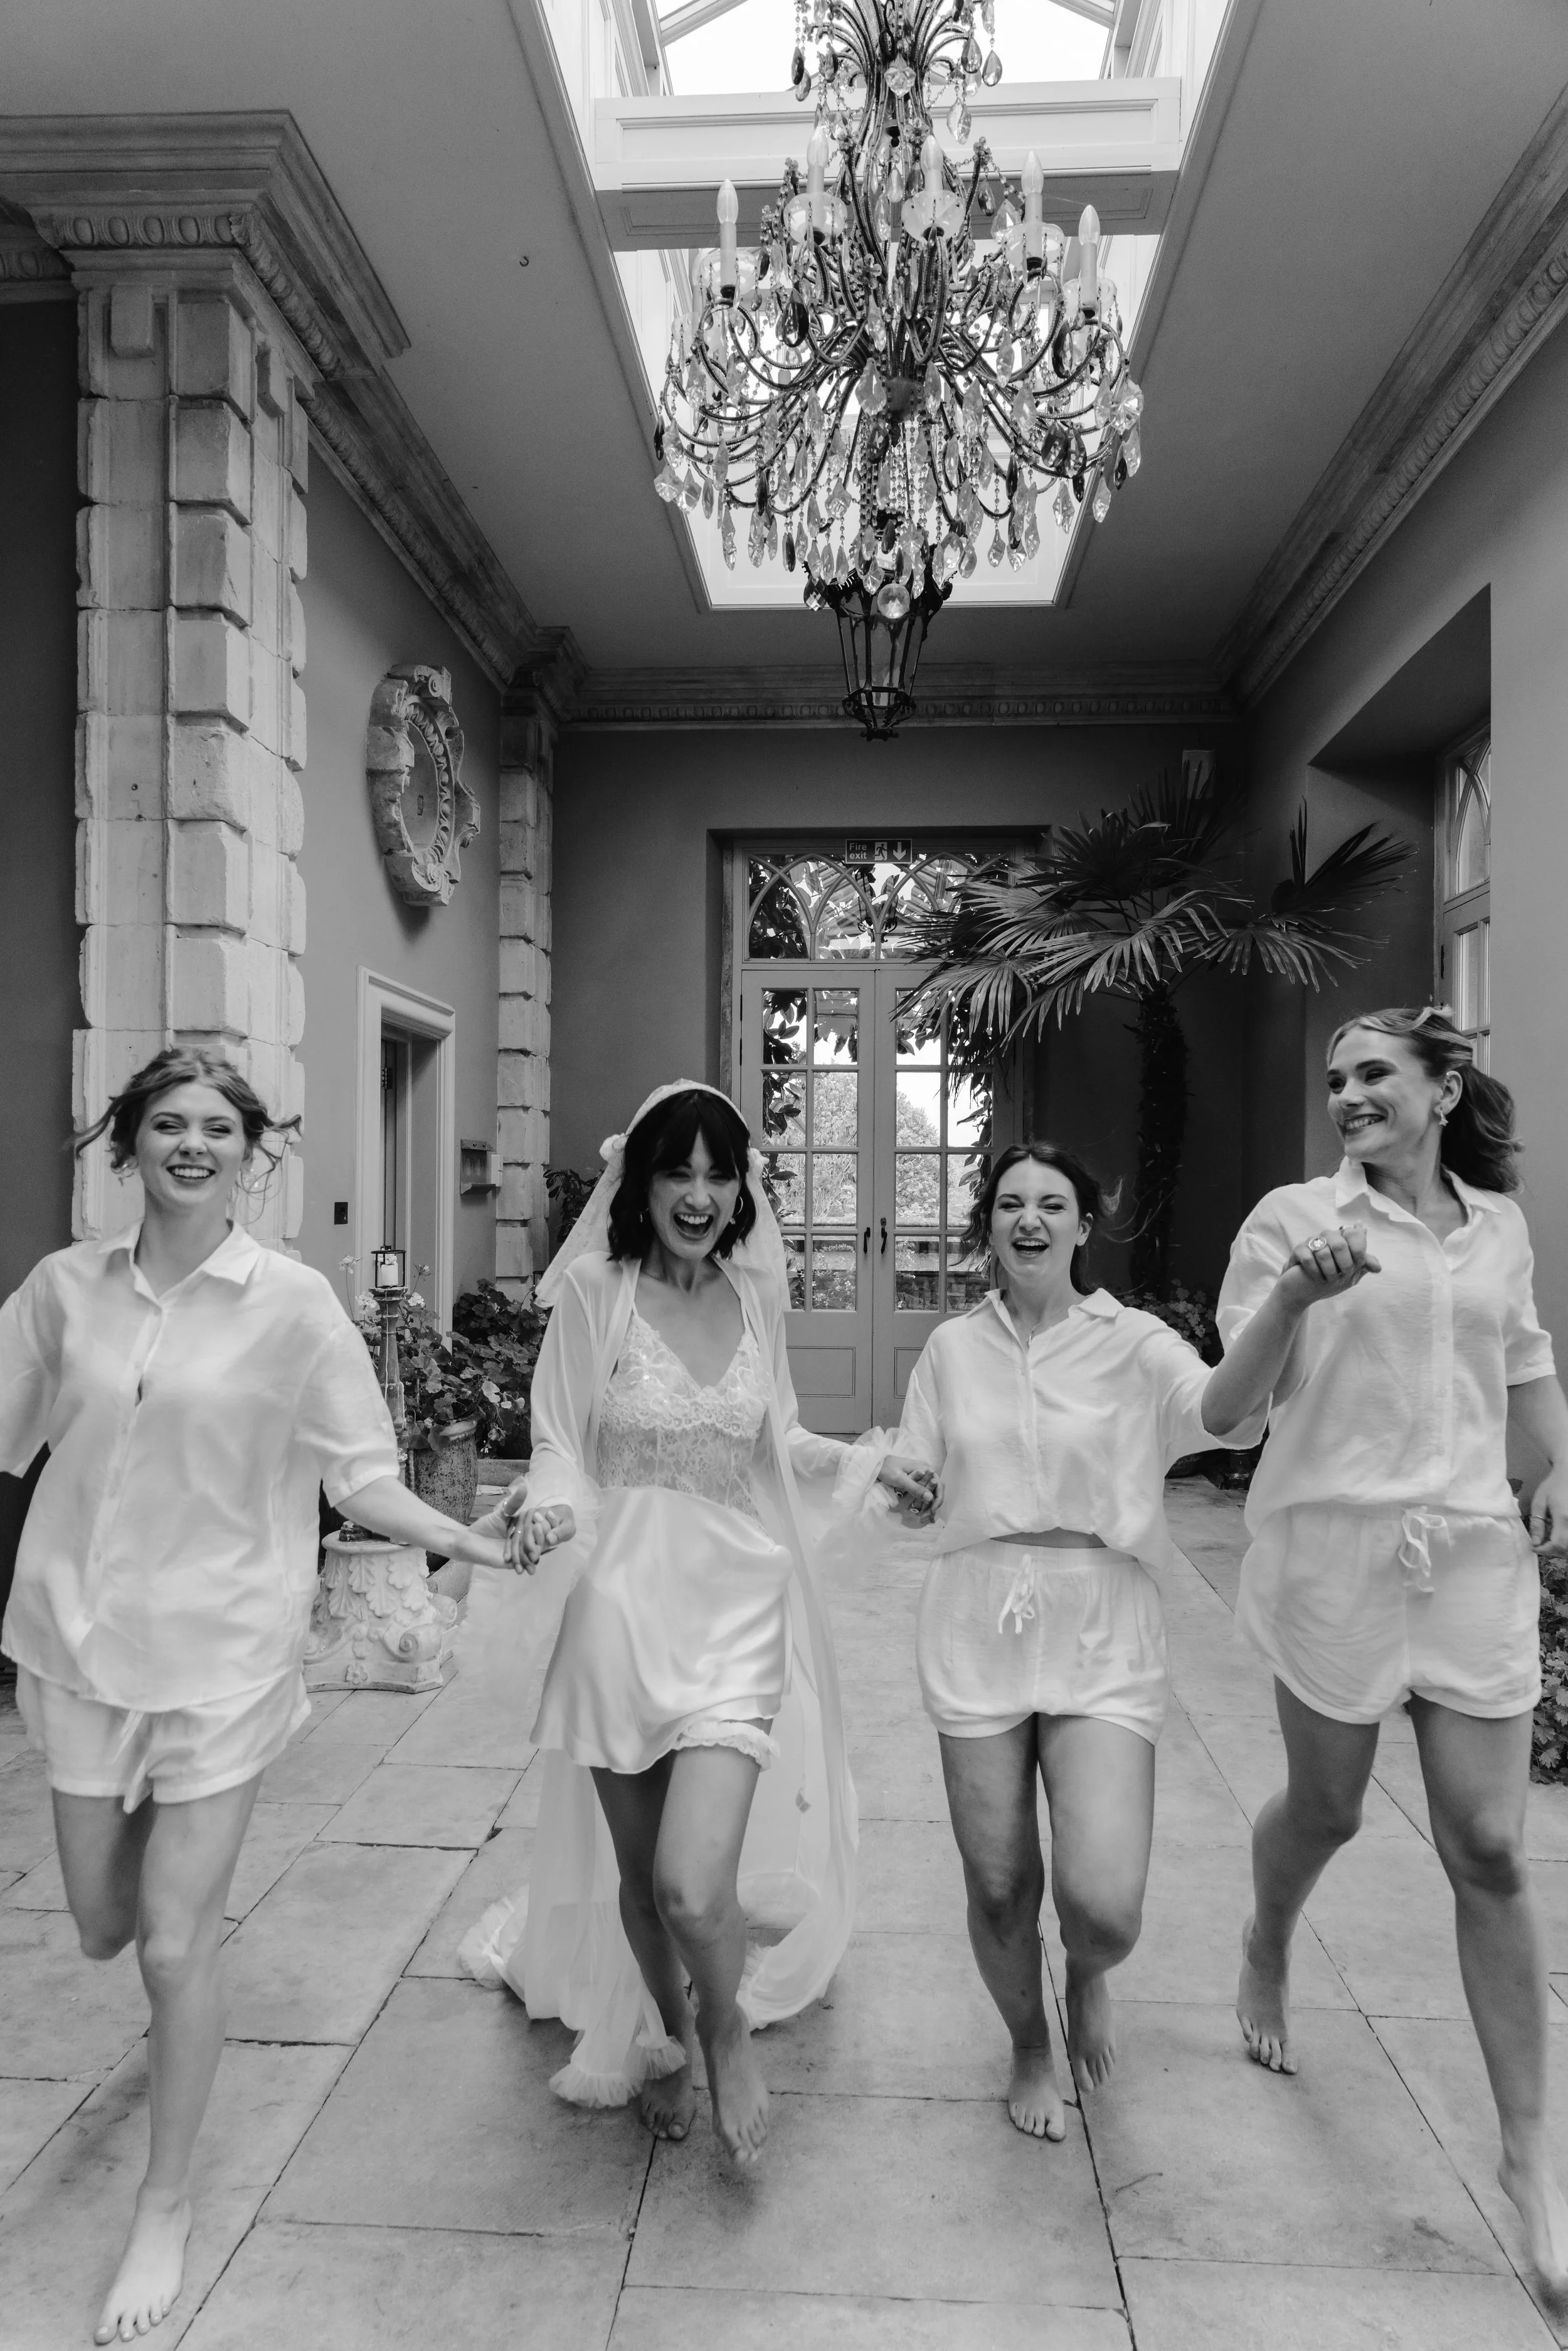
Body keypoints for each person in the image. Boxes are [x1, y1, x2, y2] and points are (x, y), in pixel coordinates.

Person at [0, 1048, 511, 2346]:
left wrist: (465, 1537)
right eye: (166, 1123)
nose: (191, 1144)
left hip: (223, 1652)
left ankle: (163, 2203)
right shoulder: (63, 1291)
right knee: (103, 1926)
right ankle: (163, 1970)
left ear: (249, 1151)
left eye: (216, 1127)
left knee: (176, 1944)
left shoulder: (290, 1304)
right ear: (128, 1144)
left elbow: (360, 1471)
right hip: (77, 1644)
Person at [458, 1082, 923, 2164]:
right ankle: (671, 2031)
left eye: (720, 1174)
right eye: (680, 1171)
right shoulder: (597, 1291)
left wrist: (868, 1465)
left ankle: (725, 2030)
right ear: (644, 1183)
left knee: (688, 1881)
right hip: (619, 1612)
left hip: (735, 1610)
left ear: (741, 1189)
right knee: (642, 1879)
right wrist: (555, 1507)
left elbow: (780, 1437)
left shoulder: (756, 1297)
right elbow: (558, 1437)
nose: (701, 1196)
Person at [1207, 1005, 1568, 2294]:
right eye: (1335, 1078)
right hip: (1336, 1555)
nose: (1348, 1094)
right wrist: (1295, 1295)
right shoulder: (1291, 1220)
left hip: (1467, 1552)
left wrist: (1553, 1465)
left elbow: (1522, 1362)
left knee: (1488, 1847)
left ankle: (1530, 2159)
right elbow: (1226, 1409)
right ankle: (1267, 1936)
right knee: (1329, 1807)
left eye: (1373, 1073)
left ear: (1442, 1088)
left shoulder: (1498, 1226)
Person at [861, 1140, 1264, 2140]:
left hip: (1101, 1621)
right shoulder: (953, 1349)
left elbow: (1226, 1416)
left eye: (1051, 1204)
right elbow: (913, 1469)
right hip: (978, 1617)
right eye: (1009, 1204)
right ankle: (1028, 2046)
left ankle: (1088, 1970)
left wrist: (1289, 1304)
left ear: (1085, 1225)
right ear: (988, 1227)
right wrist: (906, 1491)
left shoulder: (1136, 1342)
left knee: (1106, 1908)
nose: (1028, 1220)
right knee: (1001, 1887)